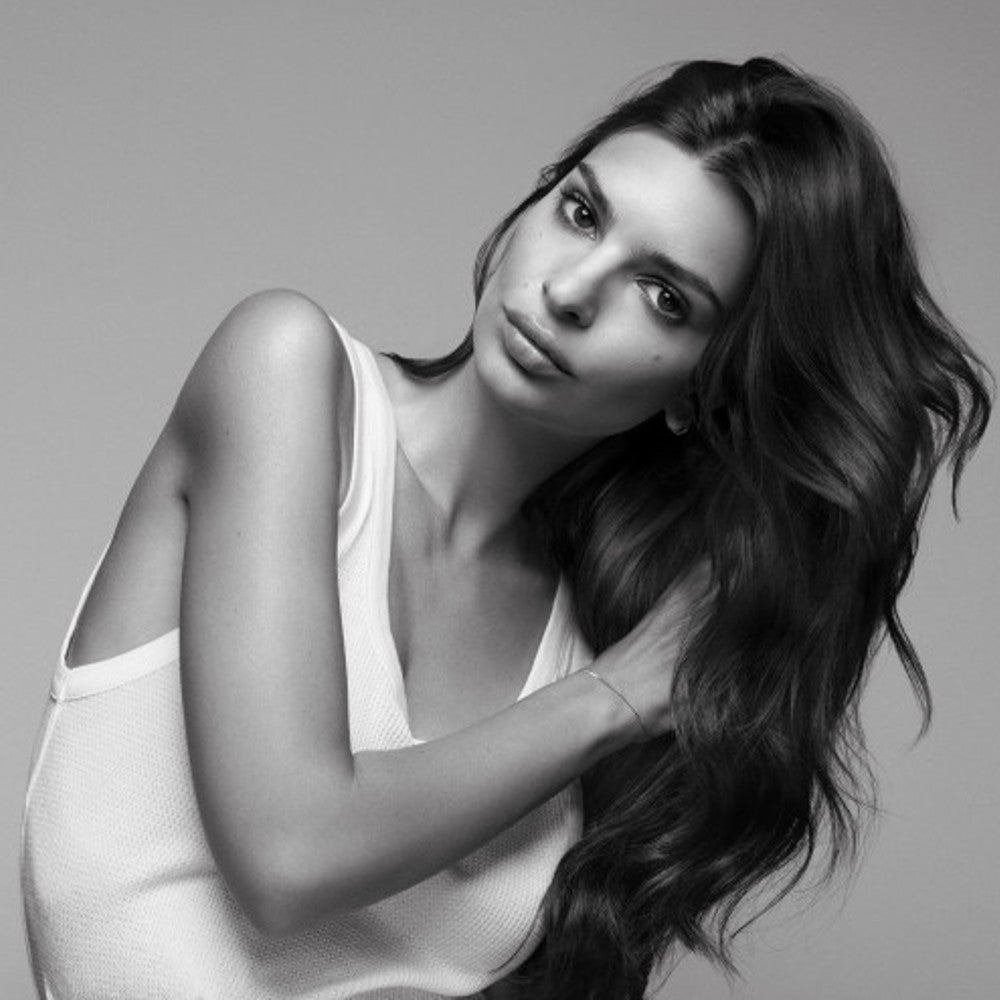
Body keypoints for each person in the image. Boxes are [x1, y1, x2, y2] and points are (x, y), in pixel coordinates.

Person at [20, 57, 991, 1000]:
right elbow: (290, 852)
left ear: (706, 387)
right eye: (581, 212)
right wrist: (618, 696)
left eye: (663, 296)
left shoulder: (597, 632)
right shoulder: (284, 371)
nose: (570, 291)